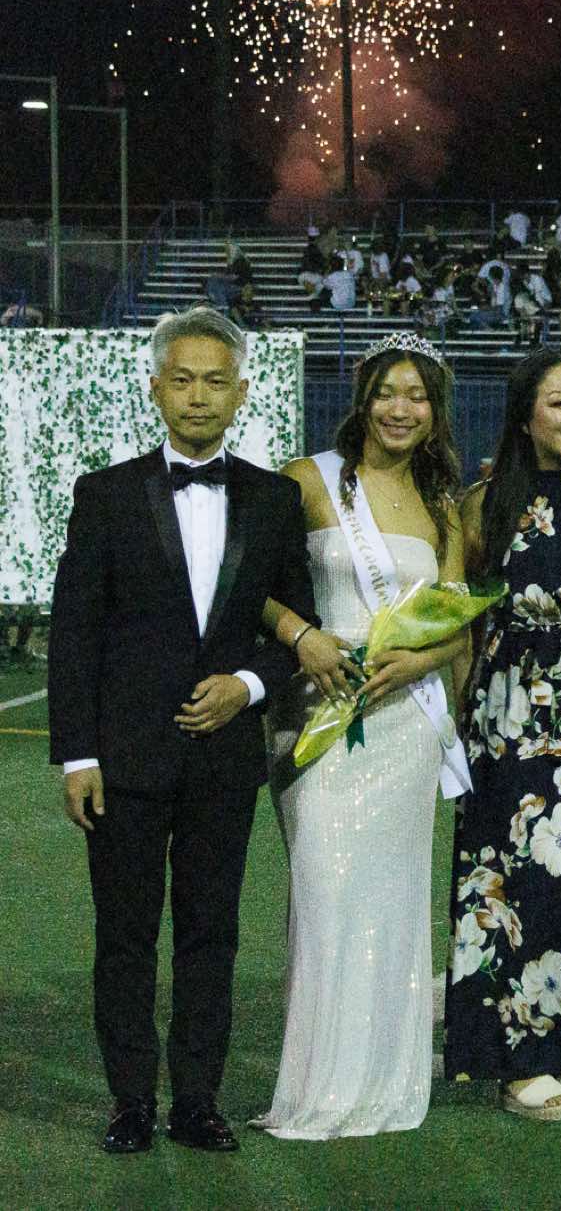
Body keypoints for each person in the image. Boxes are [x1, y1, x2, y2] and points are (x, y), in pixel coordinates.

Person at [50, 307, 316, 1156]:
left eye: (215, 382)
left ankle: (197, 1099)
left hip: (224, 762)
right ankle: (130, 1099)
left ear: (242, 393)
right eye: (183, 379)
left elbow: (297, 626)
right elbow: (75, 633)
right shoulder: (104, 493)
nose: (198, 396)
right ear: (156, 388)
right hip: (123, 760)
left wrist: (247, 686)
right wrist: (78, 755)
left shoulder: (275, 499)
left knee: (211, 934)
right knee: (124, 937)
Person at [252, 334, 469, 1140]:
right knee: (325, 889)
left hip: (405, 724)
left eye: (417, 395)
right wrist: (303, 636)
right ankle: (318, 1081)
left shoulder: (442, 507)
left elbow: (456, 625)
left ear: (435, 410)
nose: (400, 409)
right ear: (363, 398)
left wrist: (420, 659)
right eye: (387, 392)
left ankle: (380, 1076)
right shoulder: (307, 480)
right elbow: (251, 584)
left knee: (390, 898)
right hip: (316, 714)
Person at [444, 349, 561, 1121]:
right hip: (510, 717)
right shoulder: (482, 503)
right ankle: (517, 1061)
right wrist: (458, 719)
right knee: (512, 883)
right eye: (559, 402)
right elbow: (457, 617)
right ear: (525, 415)